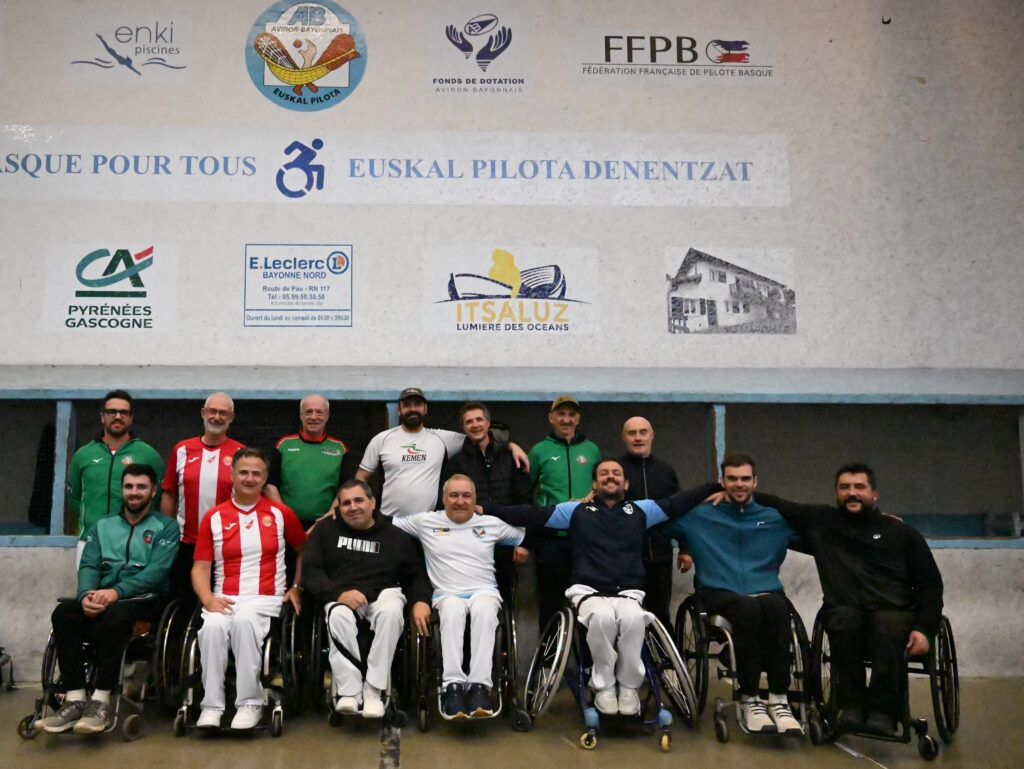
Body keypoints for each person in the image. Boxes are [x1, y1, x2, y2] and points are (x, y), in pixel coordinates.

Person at [486, 458, 718, 717]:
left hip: (628, 592)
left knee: (634, 618)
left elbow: (678, 503)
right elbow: (531, 514)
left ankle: (628, 687)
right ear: (594, 484)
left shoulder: (642, 510)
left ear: (626, 484)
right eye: (604, 473)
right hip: (588, 591)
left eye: (616, 473)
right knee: (602, 617)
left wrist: (714, 487)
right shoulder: (575, 511)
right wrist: (486, 509)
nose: (611, 476)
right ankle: (604, 686)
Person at [756, 462, 944, 737]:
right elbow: (775, 503)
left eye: (859, 487)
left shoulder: (901, 533)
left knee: (887, 624)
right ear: (836, 492)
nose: (852, 493)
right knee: (843, 619)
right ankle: (850, 706)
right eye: (844, 487)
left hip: (893, 613)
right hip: (845, 610)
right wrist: (721, 490)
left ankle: (883, 713)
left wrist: (925, 629)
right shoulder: (822, 521)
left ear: (874, 494)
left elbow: (930, 585)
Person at [657, 454, 803, 734]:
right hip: (718, 592)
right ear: (722, 482)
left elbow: (820, 534)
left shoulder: (773, 518)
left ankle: (779, 700)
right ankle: (750, 699)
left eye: (745, 479)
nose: (739, 484)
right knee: (748, 608)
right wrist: (694, 498)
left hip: (766, 591)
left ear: (755, 482)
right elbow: (655, 522)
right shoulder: (699, 516)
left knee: (778, 607)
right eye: (732, 479)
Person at [37, 465, 178, 734]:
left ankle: (101, 701)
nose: (134, 492)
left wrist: (116, 593)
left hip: (145, 599)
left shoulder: (166, 527)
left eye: (141, 487)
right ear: (121, 490)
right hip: (103, 596)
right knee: (64, 613)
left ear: (153, 491)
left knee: (117, 615)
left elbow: (157, 572)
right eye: (129, 486)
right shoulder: (102, 525)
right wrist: (86, 595)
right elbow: (89, 565)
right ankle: (75, 699)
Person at [392, 475, 526, 718]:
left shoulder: (491, 523)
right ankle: (452, 687)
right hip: (446, 594)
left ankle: (479, 687)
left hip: (484, 591)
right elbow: (385, 523)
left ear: (475, 500)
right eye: (453, 495)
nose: (460, 501)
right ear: (443, 499)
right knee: (452, 610)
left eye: (466, 496)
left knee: (484, 610)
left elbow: (525, 535)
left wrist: (523, 545)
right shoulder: (425, 521)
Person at [191, 448, 306, 730]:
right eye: (243, 472)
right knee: (212, 627)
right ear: (232, 475)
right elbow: (200, 567)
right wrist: (207, 599)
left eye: (256, 473)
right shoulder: (214, 517)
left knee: (244, 622)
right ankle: (211, 706)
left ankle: (250, 703)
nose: (249, 478)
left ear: (265, 478)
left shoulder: (281, 513)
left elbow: (304, 551)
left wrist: (296, 586)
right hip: (224, 597)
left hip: (266, 598)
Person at [301, 480, 432, 718]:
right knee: (337, 614)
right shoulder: (325, 531)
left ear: (373, 502)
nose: (353, 507)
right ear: (338, 507)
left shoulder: (395, 536)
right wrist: (338, 594)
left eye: (359, 500)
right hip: (342, 593)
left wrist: (421, 600)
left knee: (391, 612)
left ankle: (373, 689)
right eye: (346, 503)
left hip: (384, 592)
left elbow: (415, 575)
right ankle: (349, 692)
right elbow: (311, 572)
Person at [356, 388, 527, 518]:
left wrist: (510, 446)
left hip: (428, 524)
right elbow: (361, 478)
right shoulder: (381, 439)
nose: (412, 409)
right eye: (407, 405)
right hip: (390, 521)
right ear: (399, 410)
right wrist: (366, 508)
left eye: (417, 405)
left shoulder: (442, 439)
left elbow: (480, 437)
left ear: (425, 409)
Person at [526, 395, 601, 633]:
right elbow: (526, 491)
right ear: (551, 418)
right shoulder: (539, 451)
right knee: (550, 605)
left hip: (585, 539)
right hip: (550, 540)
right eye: (561, 414)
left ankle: (586, 656)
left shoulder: (591, 450)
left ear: (577, 419)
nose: (566, 419)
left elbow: (600, 486)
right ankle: (549, 655)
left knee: (588, 604)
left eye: (571, 415)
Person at [161, 392, 244, 601]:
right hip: (186, 544)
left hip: (226, 546)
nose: (217, 417)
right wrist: (169, 535)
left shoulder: (241, 454)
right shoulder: (181, 450)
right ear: (203, 413)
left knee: (221, 603)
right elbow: (169, 494)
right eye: (212, 411)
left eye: (223, 413)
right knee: (182, 602)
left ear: (231, 418)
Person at [443, 402, 532, 592]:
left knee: (505, 599)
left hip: (507, 543)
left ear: (488, 423)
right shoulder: (456, 463)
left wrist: (524, 543)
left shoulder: (511, 457)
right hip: (472, 544)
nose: (475, 425)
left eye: (479, 419)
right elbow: (448, 506)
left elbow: (525, 500)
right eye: (469, 422)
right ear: (463, 427)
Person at [67, 390, 163, 560]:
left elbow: (157, 497)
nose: (118, 416)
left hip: (134, 541)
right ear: (102, 417)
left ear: (131, 418)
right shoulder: (83, 455)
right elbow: (75, 497)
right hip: (91, 542)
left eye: (124, 412)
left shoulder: (148, 455)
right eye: (112, 412)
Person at [619, 416, 681, 628]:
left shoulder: (666, 471)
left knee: (660, 616)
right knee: (628, 618)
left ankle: (663, 650)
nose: (638, 437)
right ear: (624, 437)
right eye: (632, 433)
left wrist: (685, 548)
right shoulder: (615, 471)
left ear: (652, 435)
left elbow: (678, 509)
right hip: (625, 559)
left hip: (660, 557)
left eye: (643, 432)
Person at [268, 393, 355, 529]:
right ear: (301, 415)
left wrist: (330, 516)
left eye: (319, 412)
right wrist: (284, 516)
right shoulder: (283, 445)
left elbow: (346, 487)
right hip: (286, 525)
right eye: (308, 412)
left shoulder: (340, 449)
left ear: (327, 416)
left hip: (327, 525)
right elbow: (269, 483)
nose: (314, 417)